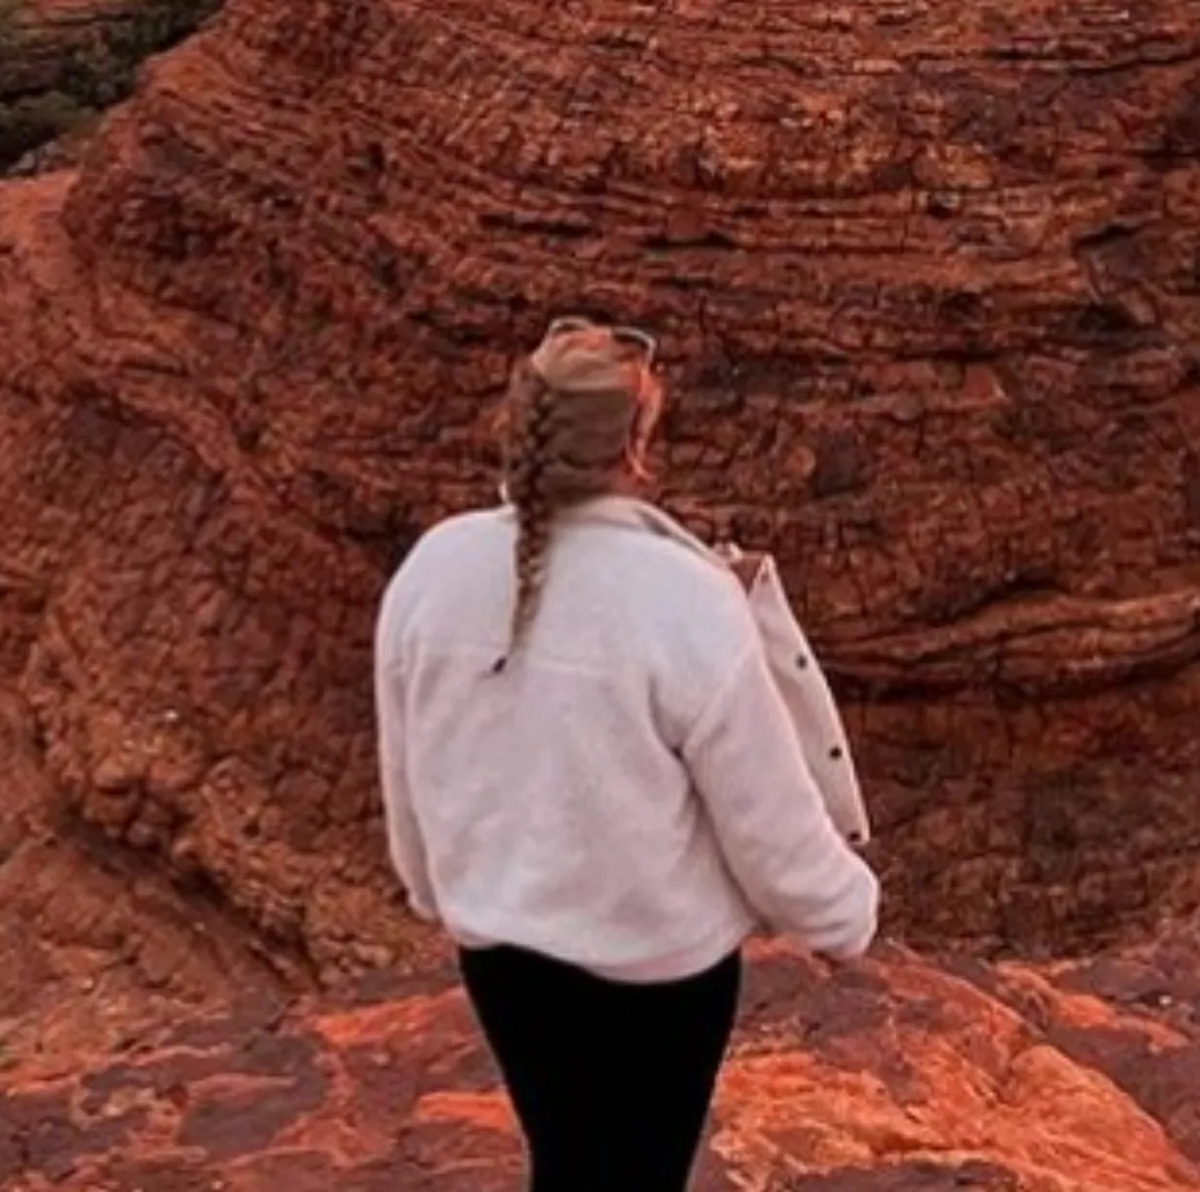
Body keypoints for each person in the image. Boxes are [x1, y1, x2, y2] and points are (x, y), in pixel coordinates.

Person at [374, 315, 880, 1192]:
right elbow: (766, 819)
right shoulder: (684, 599)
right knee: (639, 1175)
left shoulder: (434, 568)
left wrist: (436, 888)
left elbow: (409, 769)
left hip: (503, 955)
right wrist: (844, 914)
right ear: (634, 448)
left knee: (567, 1159)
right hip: (659, 976)